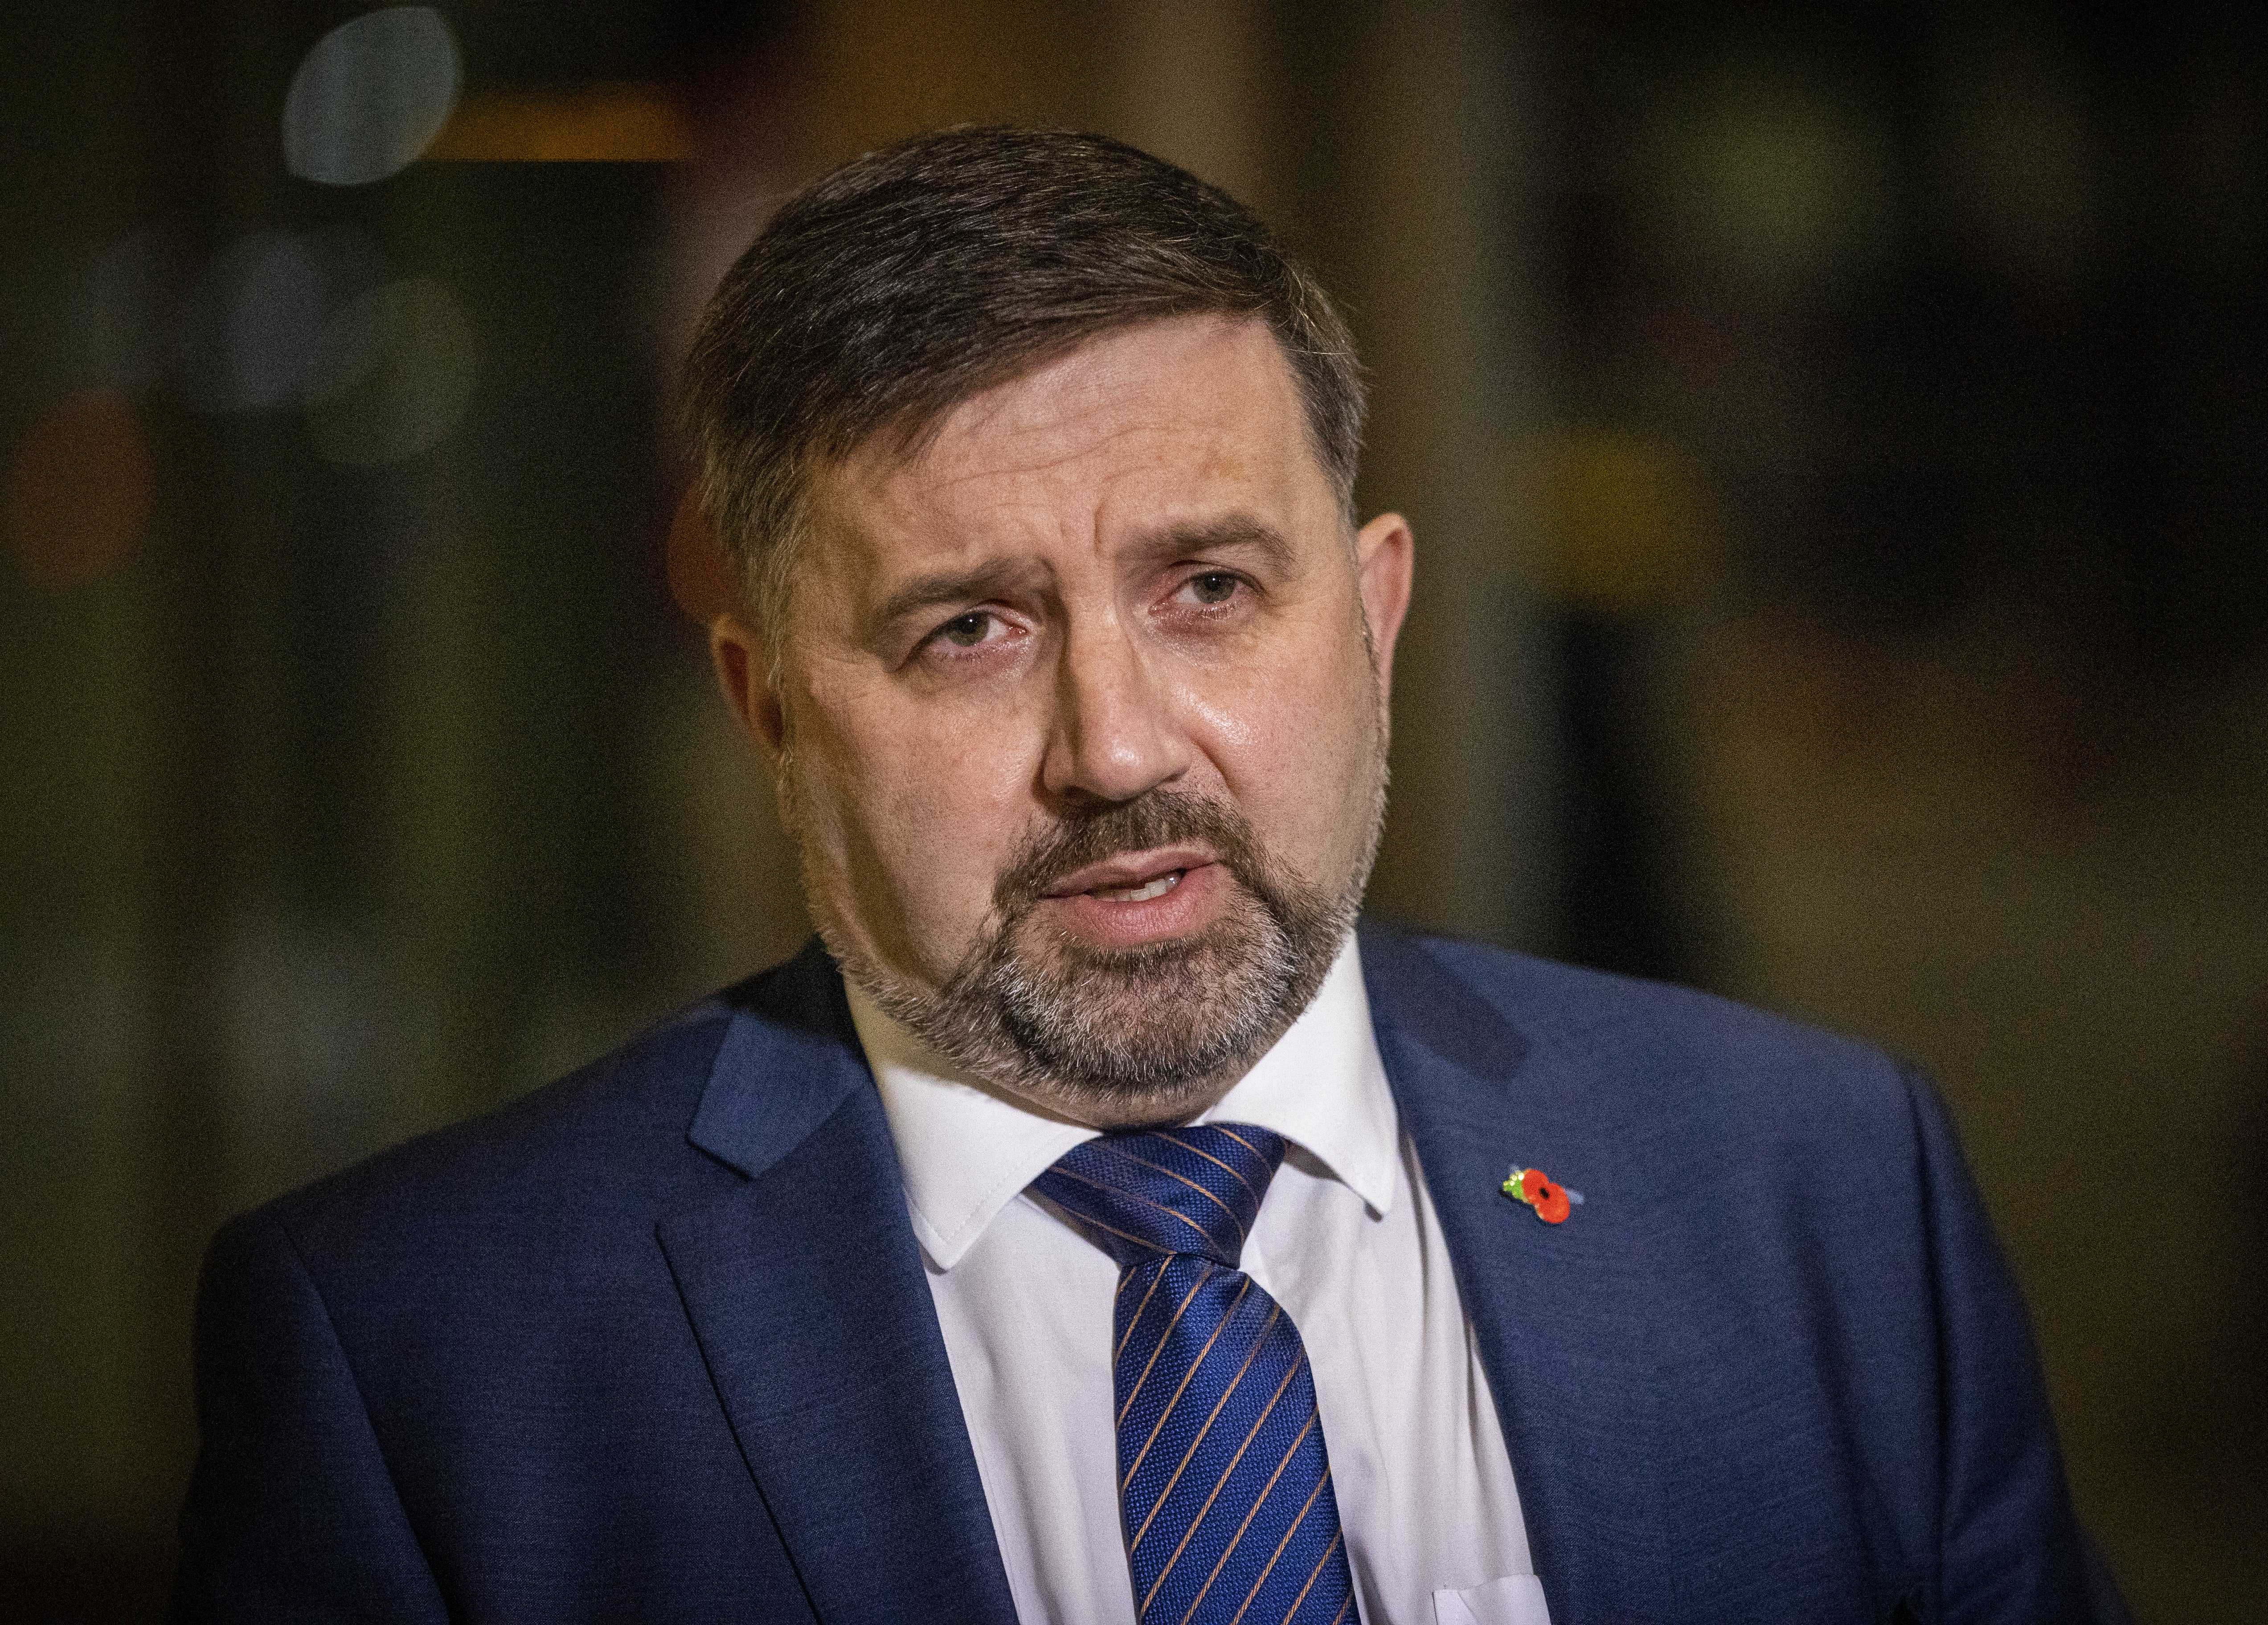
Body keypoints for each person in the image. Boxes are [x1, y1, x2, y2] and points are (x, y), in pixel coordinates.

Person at [172, 127, 2129, 1625]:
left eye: (1207, 588)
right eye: (967, 631)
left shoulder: (1824, 1191)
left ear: (1370, 622)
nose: (1115, 748)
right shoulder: (421, 1363)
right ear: (769, 715)